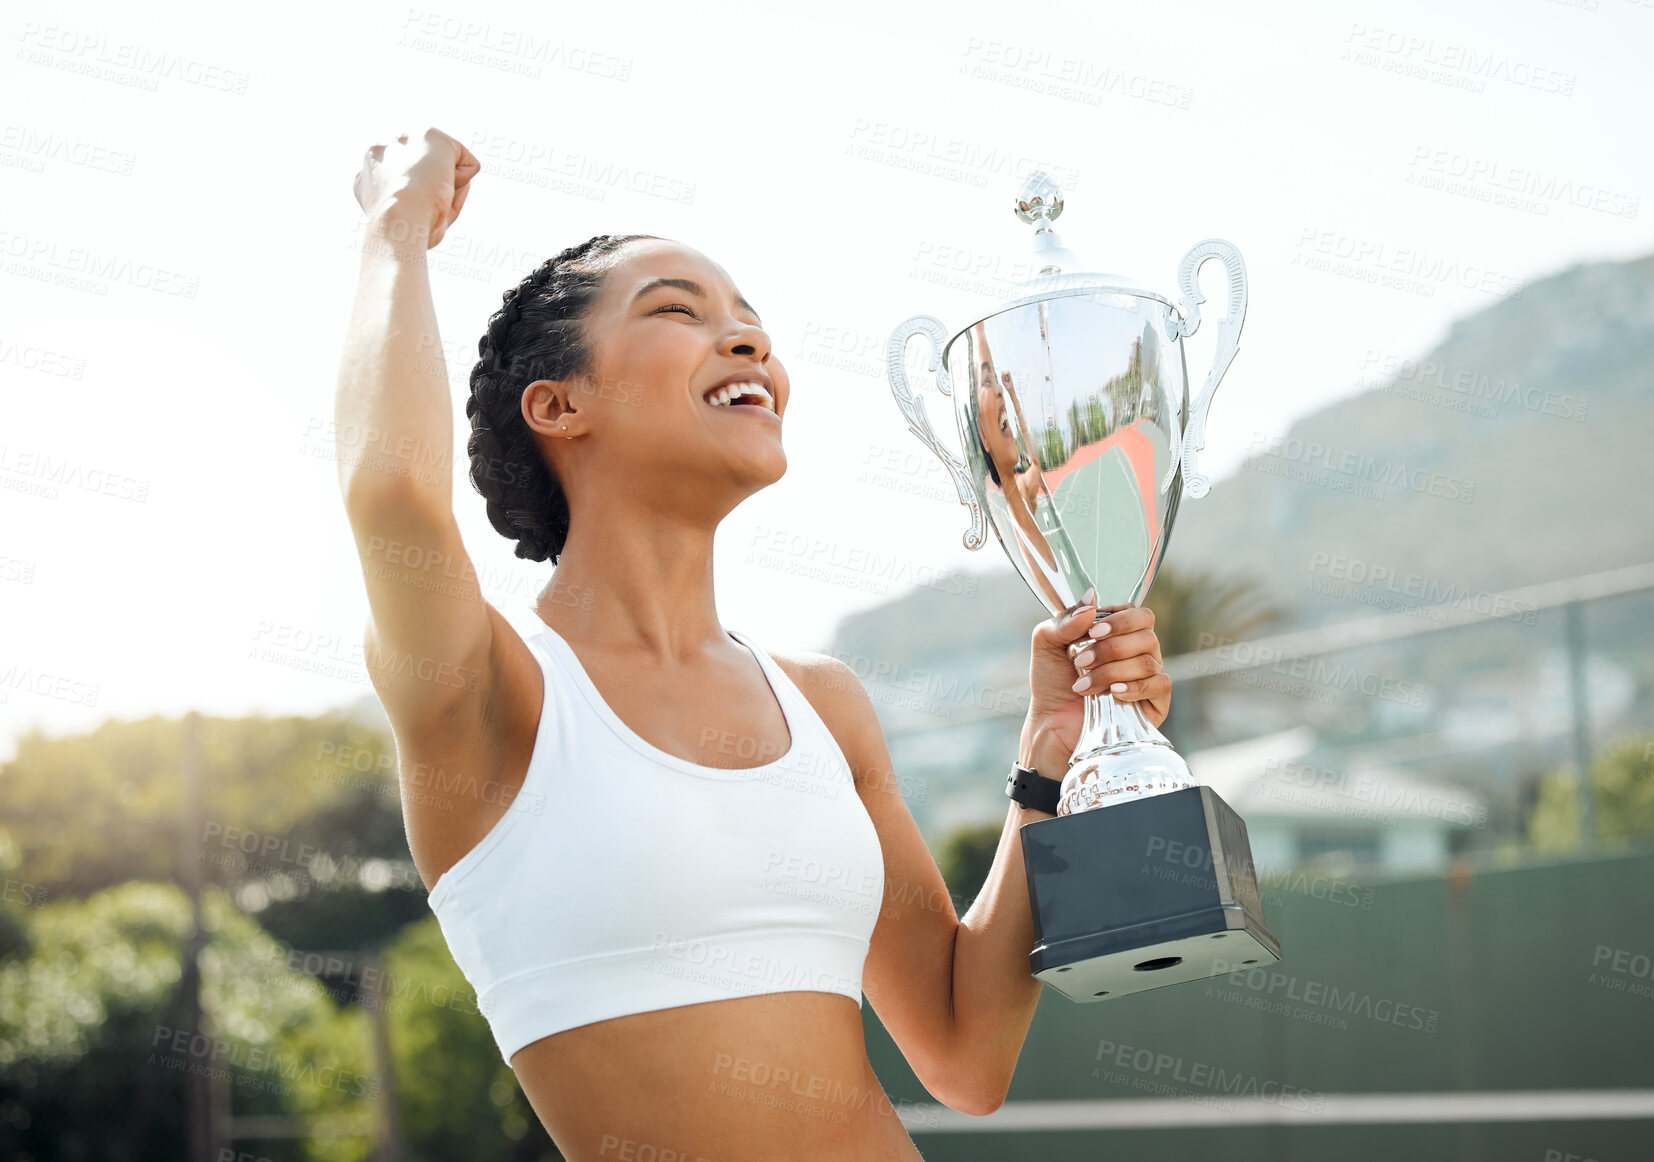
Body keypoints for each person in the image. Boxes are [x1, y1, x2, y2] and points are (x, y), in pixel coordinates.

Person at [337, 128, 1172, 1160]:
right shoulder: (491, 693)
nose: (746, 344)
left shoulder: (823, 707)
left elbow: (964, 1053)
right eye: (678, 312)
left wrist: (1047, 755)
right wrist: (396, 230)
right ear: (557, 406)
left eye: (752, 325)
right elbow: (395, 493)